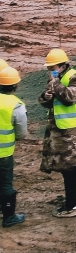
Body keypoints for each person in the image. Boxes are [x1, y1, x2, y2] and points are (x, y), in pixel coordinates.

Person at [38, 48, 76, 218]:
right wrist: (49, 92)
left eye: (52, 67)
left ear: (63, 65)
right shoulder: (59, 79)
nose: (50, 71)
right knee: (69, 168)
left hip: (72, 133)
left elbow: (70, 98)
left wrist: (55, 84)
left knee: (69, 168)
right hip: (61, 132)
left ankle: (70, 206)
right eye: (49, 68)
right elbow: (43, 100)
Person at [0, 60, 27, 227]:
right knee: (5, 184)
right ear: (15, 86)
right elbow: (22, 133)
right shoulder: (16, 106)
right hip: (4, 154)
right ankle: (9, 216)